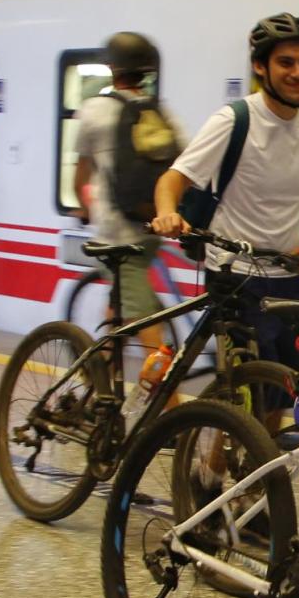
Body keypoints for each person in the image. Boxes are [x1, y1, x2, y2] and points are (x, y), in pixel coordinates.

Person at [151, 12, 299, 390]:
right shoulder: (234, 121)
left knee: (290, 392)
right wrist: (167, 213)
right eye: (286, 63)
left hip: (290, 277)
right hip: (236, 278)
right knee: (247, 391)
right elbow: (173, 178)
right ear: (260, 67)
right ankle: (226, 442)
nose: (298, 73)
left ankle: (261, 450)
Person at [72, 31, 183, 356]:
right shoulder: (161, 112)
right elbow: (183, 162)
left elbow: (81, 175)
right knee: (125, 311)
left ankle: (164, 404)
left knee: (148, 324)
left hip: (115, 237)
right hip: (150, 226)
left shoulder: (94, 110)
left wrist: (84, 208)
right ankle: (103, 385)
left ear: (112, 69)